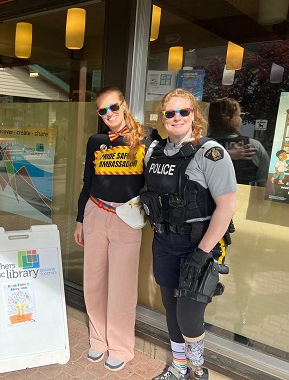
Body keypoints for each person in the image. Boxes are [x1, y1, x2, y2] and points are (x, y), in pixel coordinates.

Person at [142, 89, 237, 380]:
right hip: (164, 242)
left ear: (194, 114)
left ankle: (197, 370)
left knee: (189, 315)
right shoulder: (154, 152)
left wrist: (202, 253)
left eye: (184, 111)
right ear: (163, 117)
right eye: (170, 113)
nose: (177, 117)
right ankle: (179, 368)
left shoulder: (211, 153)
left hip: (197, 245)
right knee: (170, 308)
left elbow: (227, 207)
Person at [74, 86, 159, 372]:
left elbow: (155, 178)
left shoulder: (147, 137)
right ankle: (98, 338)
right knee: (94, 281)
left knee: (122, 286)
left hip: (127, 216)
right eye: (103, 110)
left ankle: (121, 346)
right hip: (95, 212)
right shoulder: (95, 140)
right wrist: (79, 218)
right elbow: (88, 180)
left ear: (123, 105)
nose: (109, 114)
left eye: (113, 107)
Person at [208, 97, 269, 186]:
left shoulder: (199, 146)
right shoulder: (252, 146)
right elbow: (267, 186)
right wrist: (227, 155)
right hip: (243, 199)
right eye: (240, 115)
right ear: (235, 118)